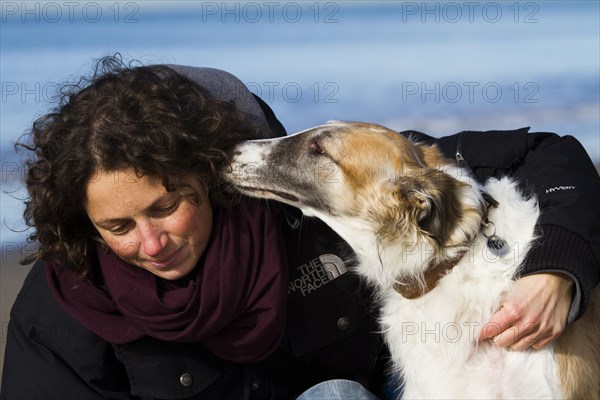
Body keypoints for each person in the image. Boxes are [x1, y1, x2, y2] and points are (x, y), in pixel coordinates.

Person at [1, 55, 599, 400]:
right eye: (117, 226)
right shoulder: (61, 313)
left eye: (166, 207)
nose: (151, 244)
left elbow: (546, 154)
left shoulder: (316, 198)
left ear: (209, 179)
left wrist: (558, 266)